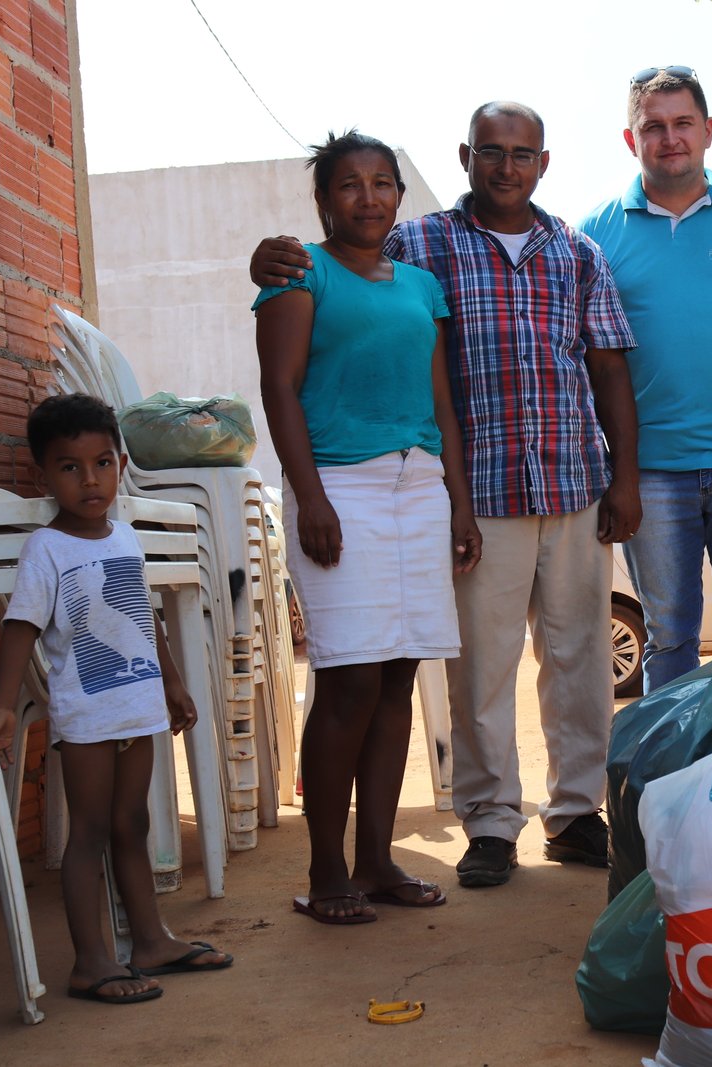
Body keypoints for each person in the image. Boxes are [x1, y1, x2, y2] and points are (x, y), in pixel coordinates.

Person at [250, 103, 639, 889]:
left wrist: (624, 475)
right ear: (466, 157)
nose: (506, 166)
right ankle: (490, 822)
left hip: (569, 479)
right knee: (480, 668)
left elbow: (607, 366)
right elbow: (338, 266)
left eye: (522, 153)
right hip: (478, 486)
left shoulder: (579, 251)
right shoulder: (419, 243)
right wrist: (269, 258)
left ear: (543, 162)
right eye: (491, 151)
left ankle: (574, 814)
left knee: (581, 659)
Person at [252, 131, 481, 923]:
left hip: (419, 488)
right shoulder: (298, 275)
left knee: (396, 678)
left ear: (399, 196)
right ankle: (326, 873)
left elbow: (441, 401)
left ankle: (377, 861)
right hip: (339, 487)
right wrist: (310, 495)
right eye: (348, 184)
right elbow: (279, 389)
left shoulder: (422, 286)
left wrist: (458, 500)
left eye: (382, 182)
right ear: (323, 200)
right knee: (349, 677)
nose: (368, 197)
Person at [0, 393, 233, 1005]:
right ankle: (91, 962)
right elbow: (21, 624)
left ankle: (150, 941)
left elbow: (143, 616)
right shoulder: (47, 549)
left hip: (138, 704)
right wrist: (1, 706)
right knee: (91, 832)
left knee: (133, 823)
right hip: (87, 716)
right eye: (70, 467)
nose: (90, 480)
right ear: (44, 477)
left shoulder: (124, 537)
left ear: (120, 465)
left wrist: (171, 682)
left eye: (102, 463)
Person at [579, 66, 712, 692]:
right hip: (647, 473)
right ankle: (675, 759)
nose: (669, 138)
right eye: (653, 127)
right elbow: (586, 359)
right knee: (669, 639)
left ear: (708, 131)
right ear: (631, 139)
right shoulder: (595, 233)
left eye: (682, 123)